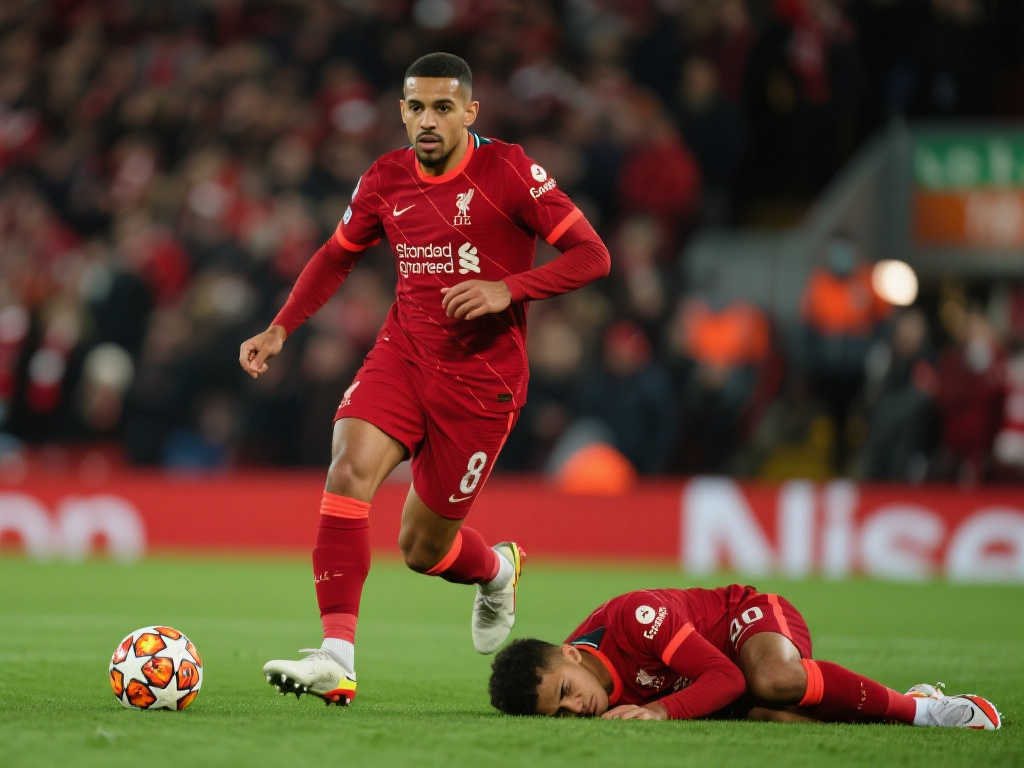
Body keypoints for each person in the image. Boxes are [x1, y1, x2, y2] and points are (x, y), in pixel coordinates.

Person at [238, 52, 611, 706]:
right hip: (403, 355)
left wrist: (508, 288)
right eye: (416, 108)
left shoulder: (509, 171)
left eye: (443, 107)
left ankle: (496, 570)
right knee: (347, 470)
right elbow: (336, 255)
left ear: (470, 112)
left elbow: (593, 255)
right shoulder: (384, 178)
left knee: (422, 548)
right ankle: (337, 657)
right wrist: (280, 328)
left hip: (482, 381)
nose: (428, 120)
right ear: (402, 112)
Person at [488, 584, 1001, 729]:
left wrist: (661, 711)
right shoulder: (587, 689)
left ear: (570, 655)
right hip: (704, 680)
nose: (576, 708)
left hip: (744, 625)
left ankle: (928, 711)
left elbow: (726, 677)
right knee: (782, 719)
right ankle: (902, 700)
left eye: (565, 692)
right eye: (560, 713)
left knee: (772, 680)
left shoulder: (633, 618)